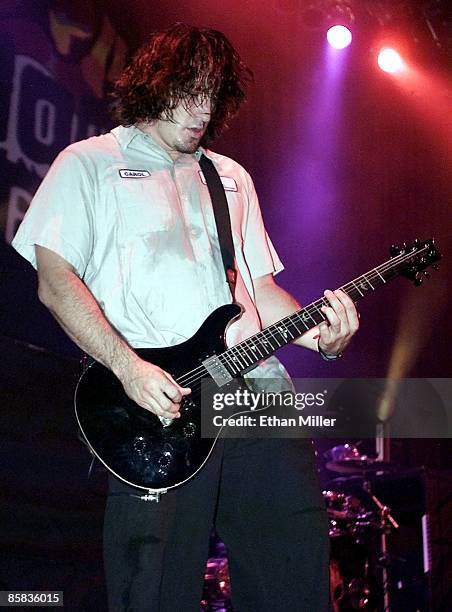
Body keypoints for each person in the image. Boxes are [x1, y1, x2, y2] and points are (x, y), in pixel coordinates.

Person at [12, 23, 359, 612]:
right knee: (154, 588)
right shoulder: (90, 164)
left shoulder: (231, 178)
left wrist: (321, 334)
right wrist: (128, 369)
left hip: (259, 397)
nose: (202, 111)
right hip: (161, 402)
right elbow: (55, 283)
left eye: (214, 96)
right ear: (156, 83)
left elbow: (258, 290)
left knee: (294, 583)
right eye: (190, 92)